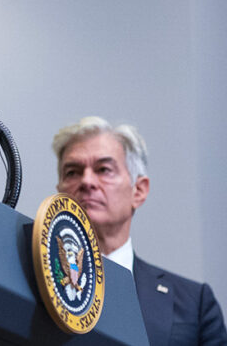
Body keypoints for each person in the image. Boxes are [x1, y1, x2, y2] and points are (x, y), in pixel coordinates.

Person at [53, 117, 227, 346]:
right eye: (72, 172)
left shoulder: (195, 304)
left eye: (103, 169)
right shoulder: (36, 282)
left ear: (139, 191)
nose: (86, 181)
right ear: (60, 192)